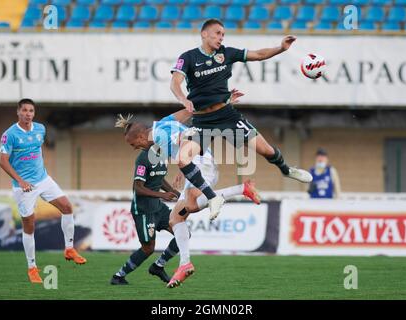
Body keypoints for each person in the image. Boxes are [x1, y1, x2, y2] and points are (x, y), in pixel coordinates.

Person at [169, 19, 313, 204]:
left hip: (227, 115)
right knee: (182, 158)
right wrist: (183, 99)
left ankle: (287, 170)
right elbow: (175, 82)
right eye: (217, 33)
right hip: (202, 121)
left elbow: (259, 54)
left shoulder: (227, 53)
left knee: (267, 150)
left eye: (223, 34)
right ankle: (213, 198)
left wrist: (281, 48)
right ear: (204, 34)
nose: (221, 37)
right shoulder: (188, 57)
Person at [114, 108, 261, 288]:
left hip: (200, 167)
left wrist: (186, 152)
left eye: (134, 144)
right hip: (198, 165)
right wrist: (222, 101)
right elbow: (190, 109)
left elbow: (183, 137)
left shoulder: (158, 137)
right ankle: (178, 264)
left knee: (188, 208)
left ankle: (241, 189)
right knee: (177, 218)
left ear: (140, 138)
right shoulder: (162, 124)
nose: (136, 148)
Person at [0, 98, 86, 284]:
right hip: (23, 187)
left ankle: (69, 249)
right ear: (18, 112)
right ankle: (32, 268)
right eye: (24, 110)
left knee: (67, 207)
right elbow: (3, 161)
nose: (28, 113)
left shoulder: (40, 129)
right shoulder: (10, 135)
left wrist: (41, 172)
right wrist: (20, 180)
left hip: (44, 180)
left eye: (31, 110)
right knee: (29, 226)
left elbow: (37, 151)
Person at [110, 146, 182, 285]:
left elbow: (158, 179)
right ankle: (118, 276)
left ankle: (158, 266)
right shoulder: (144, 157)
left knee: (183, 234)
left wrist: (175, 194)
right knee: (148, 248)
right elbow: (138, 187)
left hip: (158, 207)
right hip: (143, 209)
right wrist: (163, 195)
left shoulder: (163, 155)